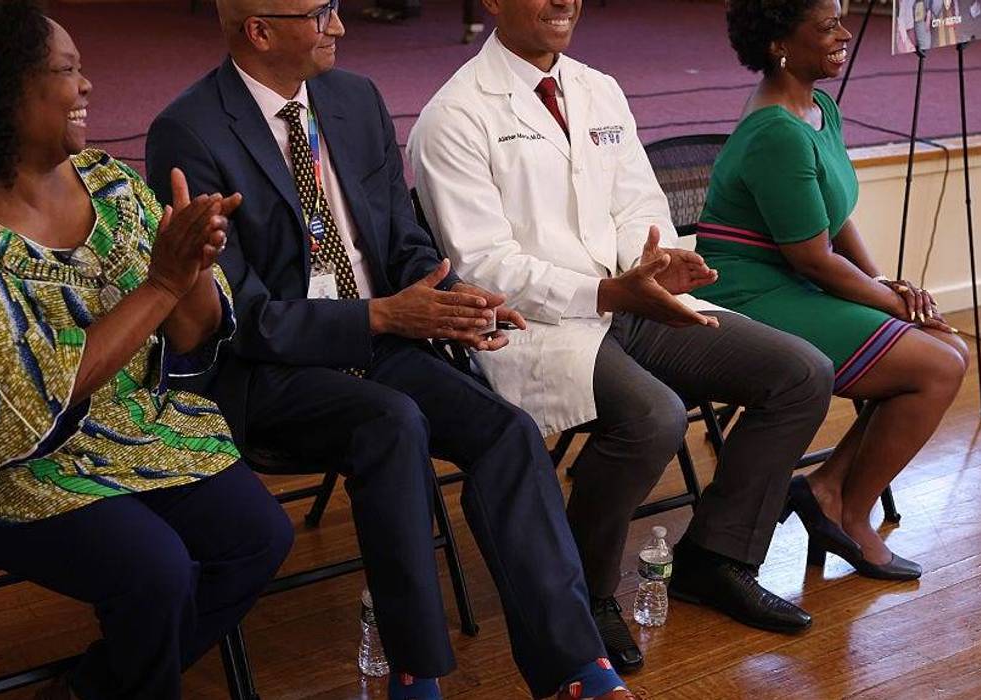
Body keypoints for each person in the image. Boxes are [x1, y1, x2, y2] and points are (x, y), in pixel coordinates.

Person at [145, 1, 636, 698]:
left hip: (382, 339)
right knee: (392, 422)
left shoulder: (354, 99)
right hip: (271, 371)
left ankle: (574, 668)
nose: (340, 27)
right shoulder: (189, 131)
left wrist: (453, 299)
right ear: (259, 30)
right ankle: (415, 674)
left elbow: (402, 240)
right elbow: (238, 317)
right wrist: (378, 315)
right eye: (320, 13)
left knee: (506, 430)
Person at [0, 1, 293, 697]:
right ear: (0, 92)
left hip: (127, 428)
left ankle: (100, 686)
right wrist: (162, 282)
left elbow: (191, 334)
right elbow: (28, 402)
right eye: (67, 70)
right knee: (156, 572)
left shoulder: (109, 184)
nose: (87, 85)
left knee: (258, 538)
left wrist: (192, 267)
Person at [408, 0, 836, 671]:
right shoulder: (454, 115)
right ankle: (584, 592)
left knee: (801, 374)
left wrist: (655, 263)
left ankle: (716, 557)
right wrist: (607, 292)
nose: (563, 1)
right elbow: (483, 265)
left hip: (633, 300)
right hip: (534, 324)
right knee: (651, 417)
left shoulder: (597, 88)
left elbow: (639, 203)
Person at [692, 0, 969, 580]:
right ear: (778, 44)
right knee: (937, 368)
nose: (844, 34)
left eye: (841, 19)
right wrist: (895, 305)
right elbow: (813, 259)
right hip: (751, 294)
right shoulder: (777, 132)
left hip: (793, 279)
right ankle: (849, 513)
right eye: (827, 26)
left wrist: (886, 284)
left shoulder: (819, 108)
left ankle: (828, 490)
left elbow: (835, 218)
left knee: (949, 349)